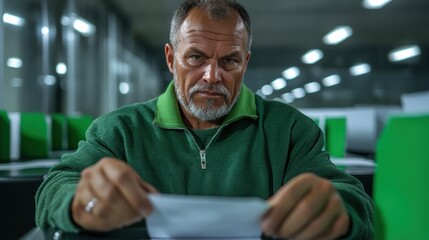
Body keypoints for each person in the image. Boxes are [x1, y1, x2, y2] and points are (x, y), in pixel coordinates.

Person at [36, 0, 374, 239]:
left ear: (246, 61)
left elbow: (353, 202)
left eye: (229, 61)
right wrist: (80, 202)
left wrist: (336, 212)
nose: (212, 76)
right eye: (196, 57)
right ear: (171, 58)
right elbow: (53, 188)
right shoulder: (120, 130)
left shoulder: (289, 130)